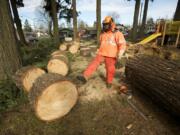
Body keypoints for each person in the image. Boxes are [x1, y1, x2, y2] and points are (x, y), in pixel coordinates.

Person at [77, 16, 126, 88]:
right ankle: (85, 76)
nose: (105, 26)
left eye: (107, 24)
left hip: (111, 55)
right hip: (102, 53)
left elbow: (122, 44)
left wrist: (120, 53)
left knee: (110, 69)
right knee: (93, 63)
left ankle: (109, 82)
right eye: (104, 24)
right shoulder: (103, 34)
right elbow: (101, 43)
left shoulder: (117, 33)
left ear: (111, 24)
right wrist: (98, 49)